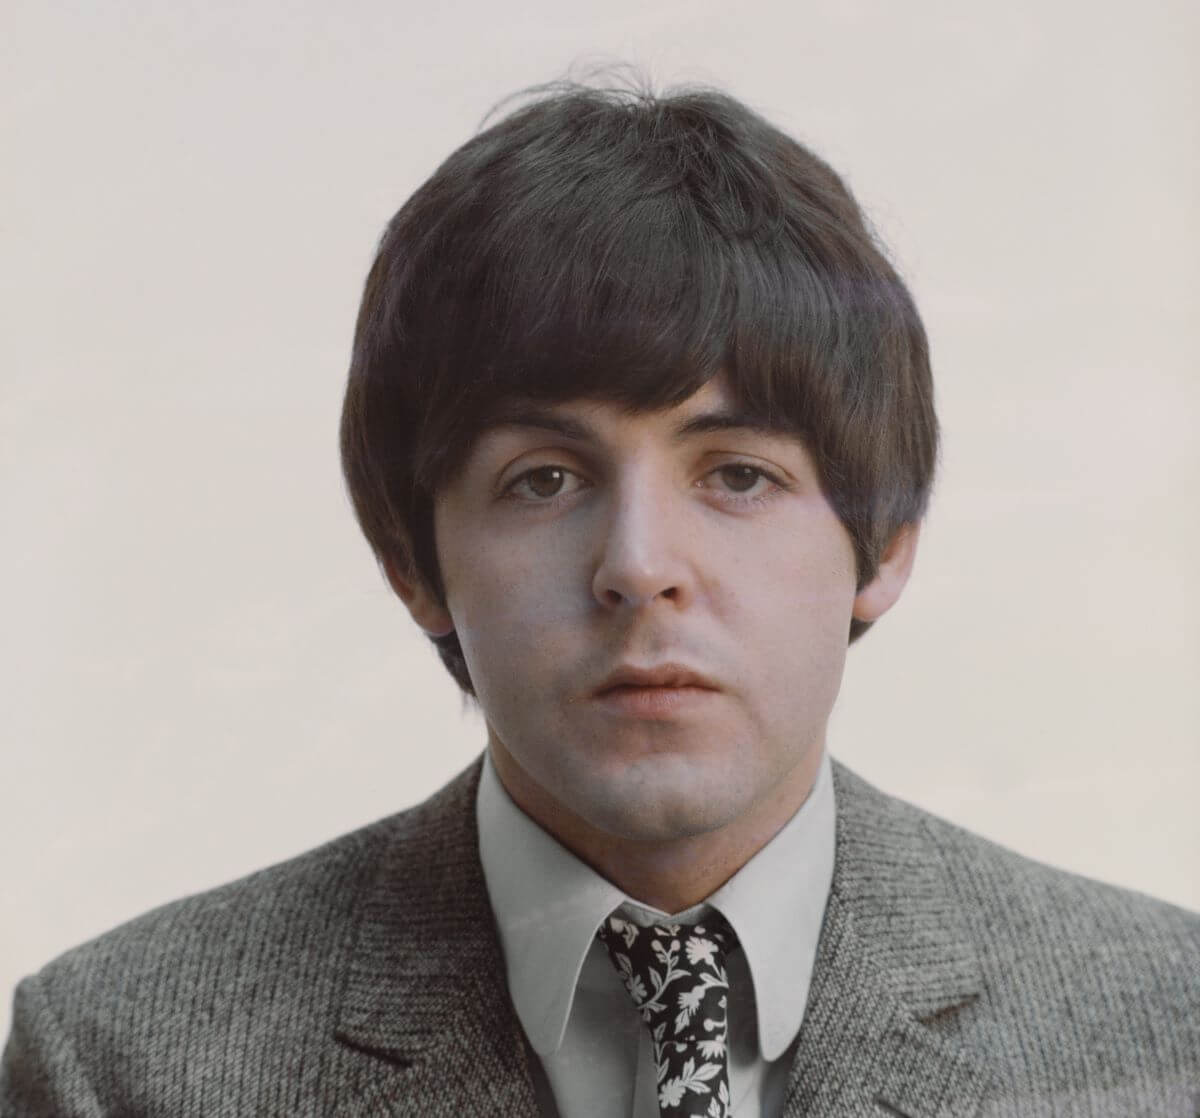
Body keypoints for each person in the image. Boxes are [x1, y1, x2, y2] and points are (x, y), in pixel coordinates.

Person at [2, 76, 1197, 1118]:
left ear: (883, 541)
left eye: (738, 474)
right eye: (545, 478)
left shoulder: (1166, 1025)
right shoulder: (125, 1059)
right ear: (410, 558)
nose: (638, 563)